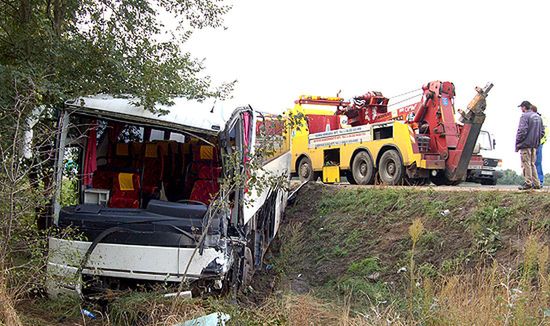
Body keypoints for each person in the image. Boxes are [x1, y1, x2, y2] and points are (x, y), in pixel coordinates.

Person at [515, 100, 545, 190]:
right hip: (535, 145)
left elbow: (522, 131)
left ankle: (528, 183)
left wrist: (518, 143)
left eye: (521, 107)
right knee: (532, 163)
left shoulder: (524, 116)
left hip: (525, 144)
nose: (521, 109)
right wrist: (536, 140)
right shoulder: (538, 117)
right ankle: (537, 183)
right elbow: (542, 132)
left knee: (526, 163)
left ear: (524, 107)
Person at [531, 105, 547, 185]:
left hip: (537, 143)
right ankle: (537, 181)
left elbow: (544, 131)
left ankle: (538, 181)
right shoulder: (541, 118)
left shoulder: (538, 119)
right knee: (536, 162)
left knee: (535, 162)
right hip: (539, 142)